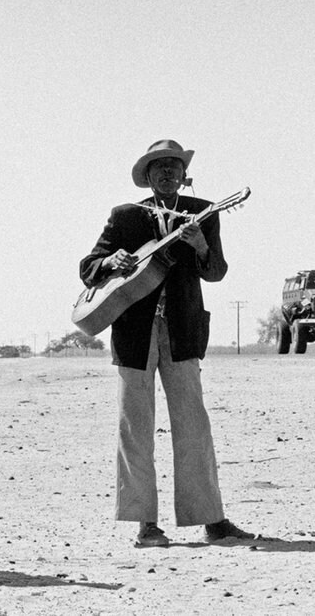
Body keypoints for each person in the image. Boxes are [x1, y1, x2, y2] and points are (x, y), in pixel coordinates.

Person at [79, 139, 263, 548]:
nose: (167, 173)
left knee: (194, 426)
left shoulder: (205, 213)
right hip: (133, 334)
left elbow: (215, 271)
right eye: (158, 167)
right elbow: (88, 267)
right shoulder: (125, 216)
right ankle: (145, 523)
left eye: (174, 167)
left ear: (185, 175)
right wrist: (112, 263)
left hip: (182, 332)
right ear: (147, 176)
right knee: (136, 428)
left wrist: (199, 245)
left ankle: (211, 519)